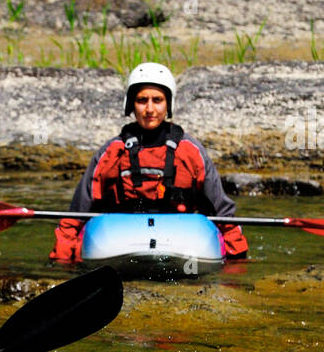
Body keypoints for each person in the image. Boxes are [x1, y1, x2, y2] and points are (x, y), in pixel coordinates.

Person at [51, 63, 248, 262]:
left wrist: (237, 260)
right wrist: (62, 259)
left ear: (168, 104)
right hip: (119, 238)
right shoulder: (111, 152)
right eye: (142, 100)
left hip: (181, 237)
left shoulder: (191, 151)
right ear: (131, 104)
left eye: (158, 100)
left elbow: (221, 211)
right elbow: (78, 212)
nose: (150, 109)